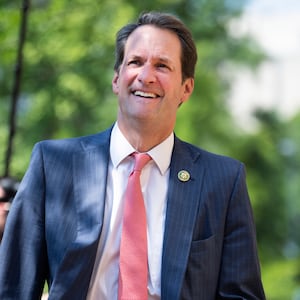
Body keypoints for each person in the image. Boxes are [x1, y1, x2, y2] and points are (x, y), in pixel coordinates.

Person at [0, 11, 265, 300]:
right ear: (117, 79)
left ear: (186, 88)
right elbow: (13, 286)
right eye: (135, 62)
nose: (146, 76)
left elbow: (242, 295)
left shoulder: (223, 181)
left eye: (162, 66)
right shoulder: (53, 164)